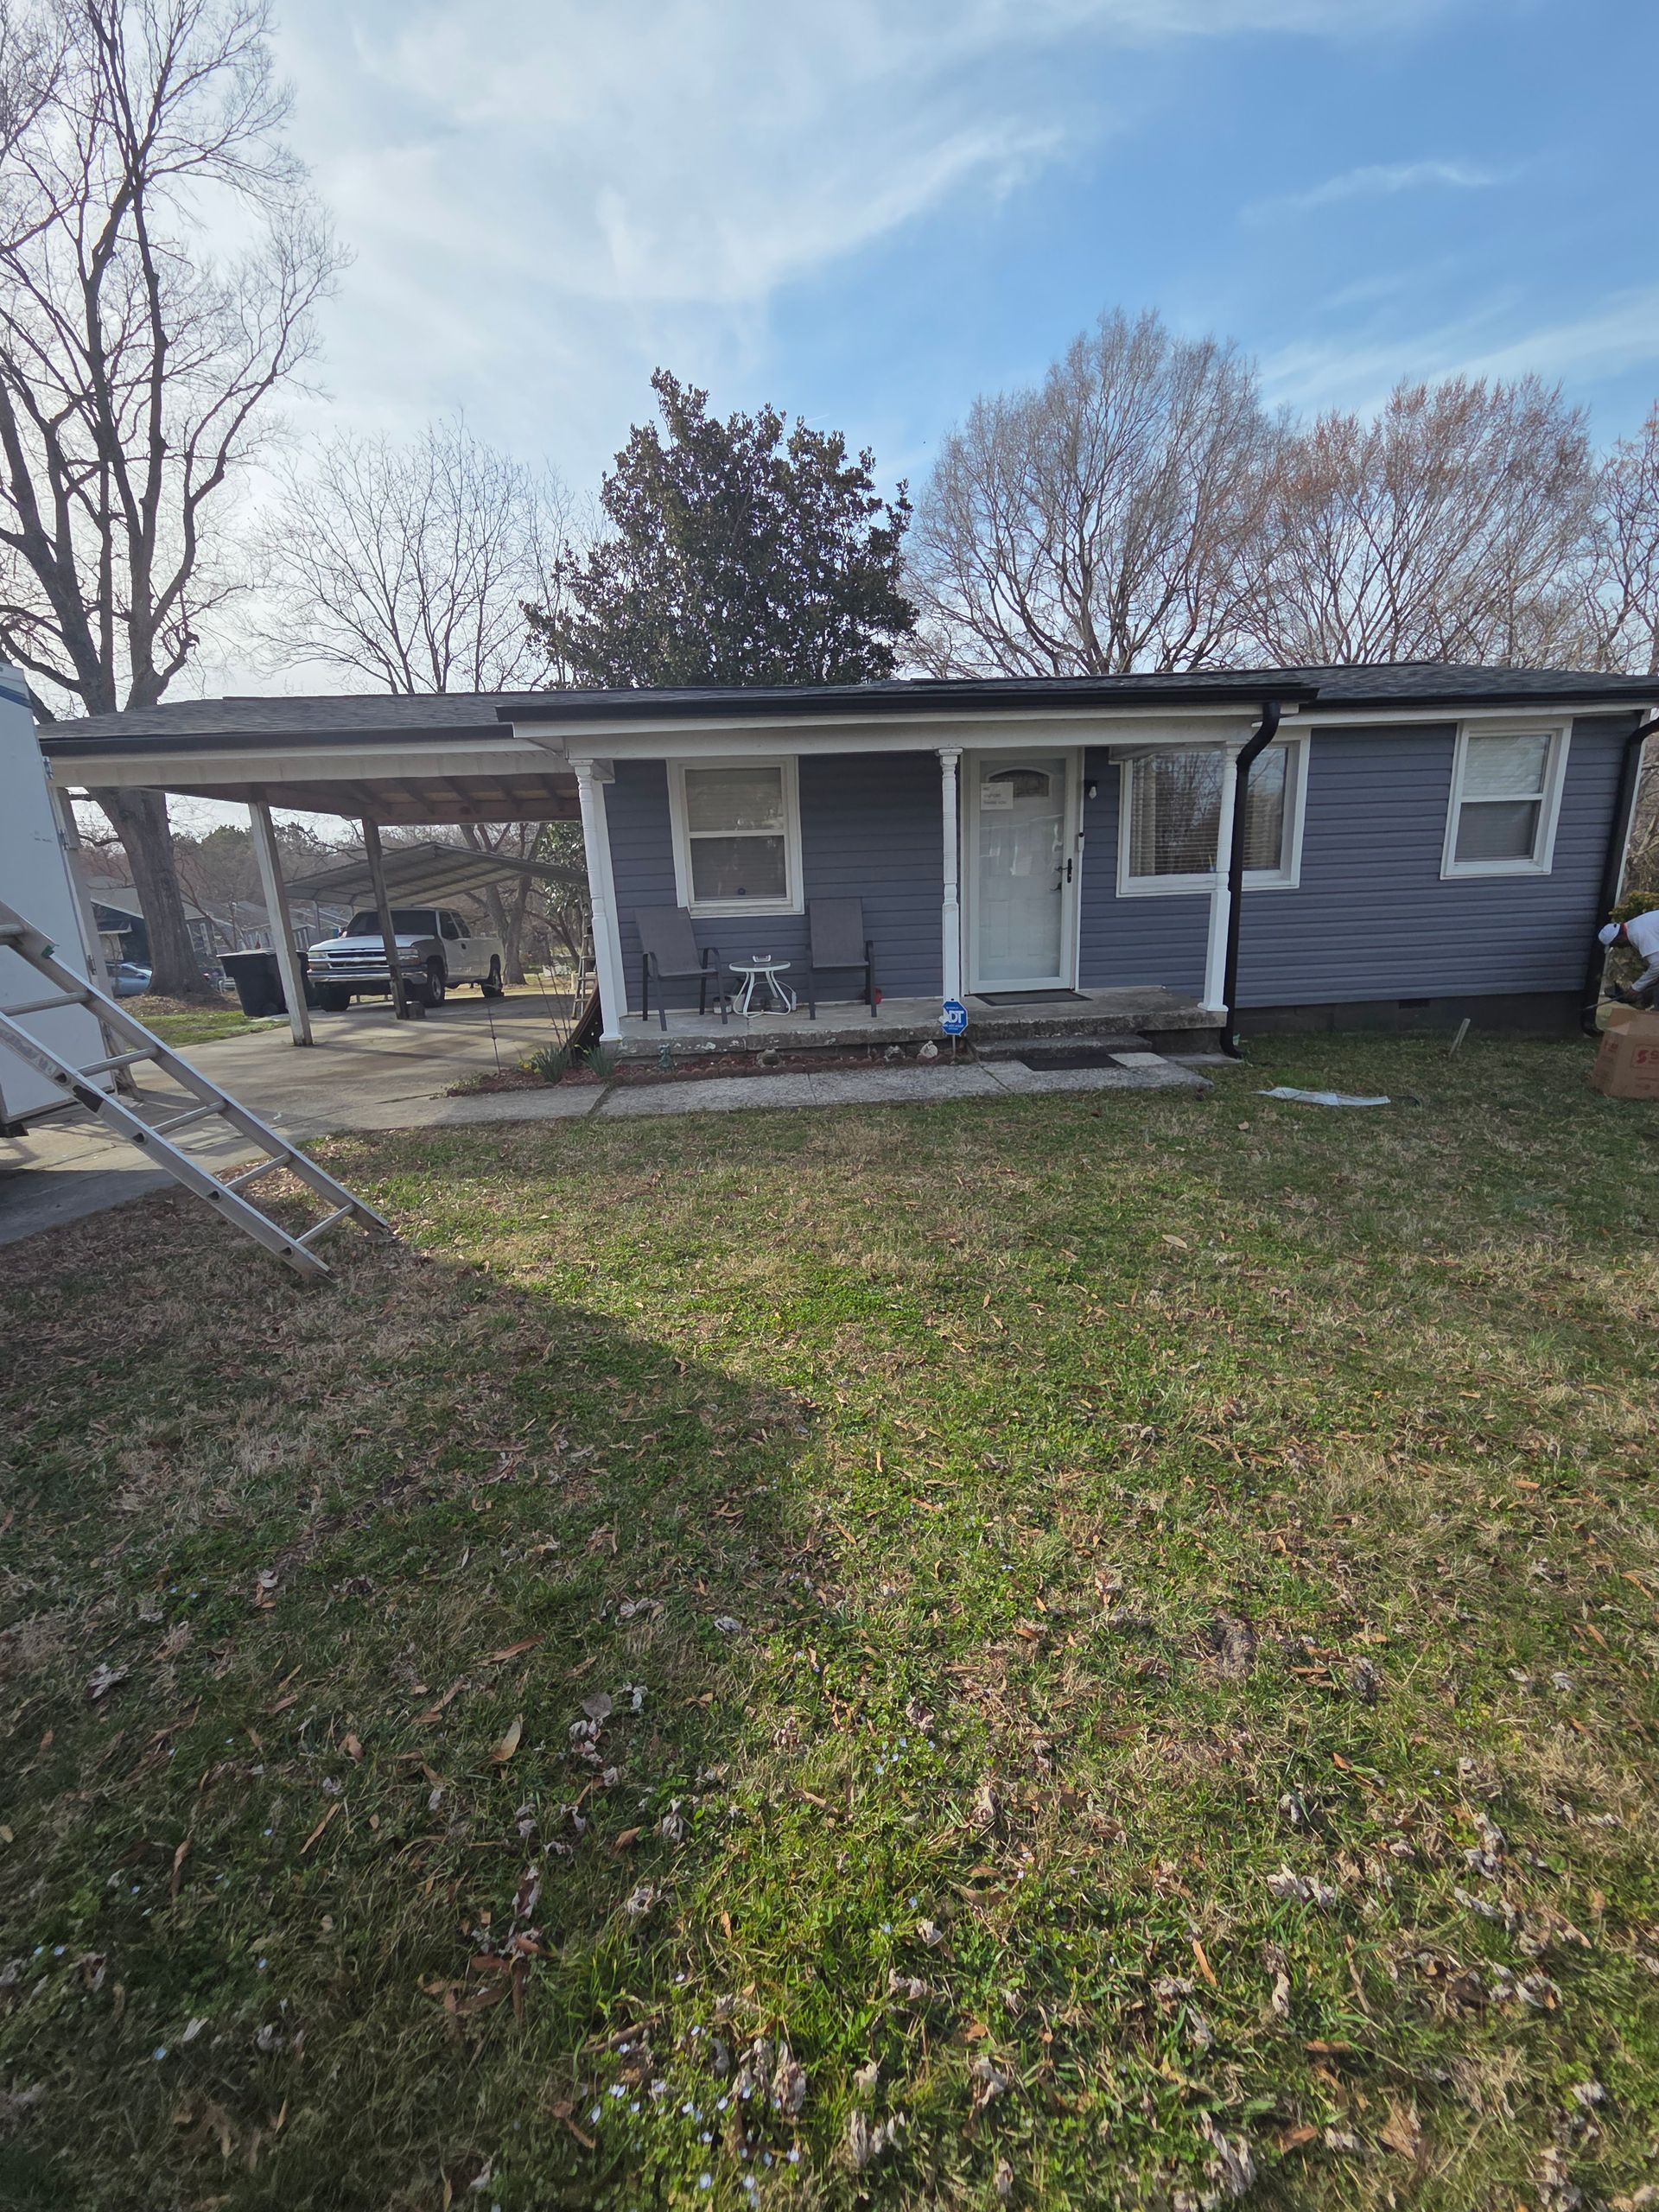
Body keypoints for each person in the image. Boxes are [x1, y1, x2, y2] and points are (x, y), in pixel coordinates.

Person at [1599, 911, 1659, 1007]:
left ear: (1620, 939)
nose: (1619, 948)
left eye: (1616, 945)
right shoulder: (1634, 926)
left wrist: (1636, 988)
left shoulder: (1637, 934)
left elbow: (1657, 965)